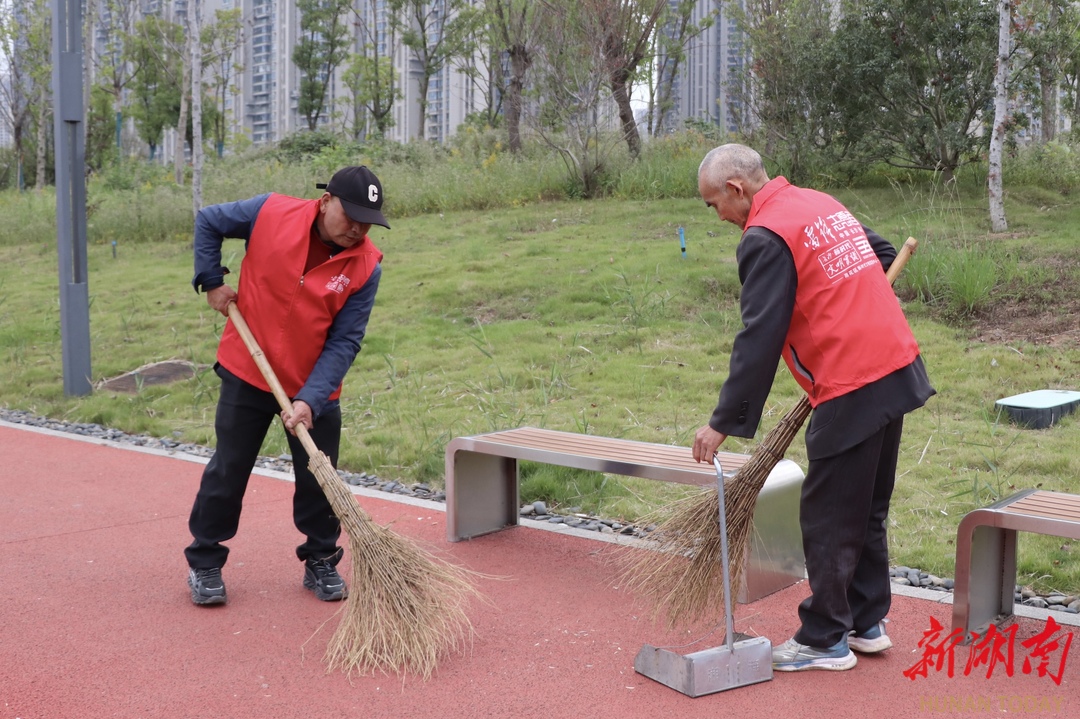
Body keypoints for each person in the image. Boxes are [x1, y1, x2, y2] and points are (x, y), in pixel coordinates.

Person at [690, 144, 935, 671]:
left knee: (826, 513)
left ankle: (824, 638)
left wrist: (721, 424)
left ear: (736, 189)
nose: (720, 217)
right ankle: (866, 622)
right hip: (895, 367)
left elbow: (760, 336)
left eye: (715, 206)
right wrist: (854, 304)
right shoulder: (816, 203)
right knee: (864, 505)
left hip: (853, 380)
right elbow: (883, 254)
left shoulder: (764, 236)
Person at [184, 166, 387, 606]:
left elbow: (346, 340)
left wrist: (310, 401)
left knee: (319, 477)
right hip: (248, 368)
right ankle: (205, 561)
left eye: (366, 221)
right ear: (325, 200)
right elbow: (209, 220)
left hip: (314, 385)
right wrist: (212, 280)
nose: (357, 228)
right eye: (350, 215)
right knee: (229, 469)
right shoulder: (270, 212)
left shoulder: (366, 265)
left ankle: (320, 560)